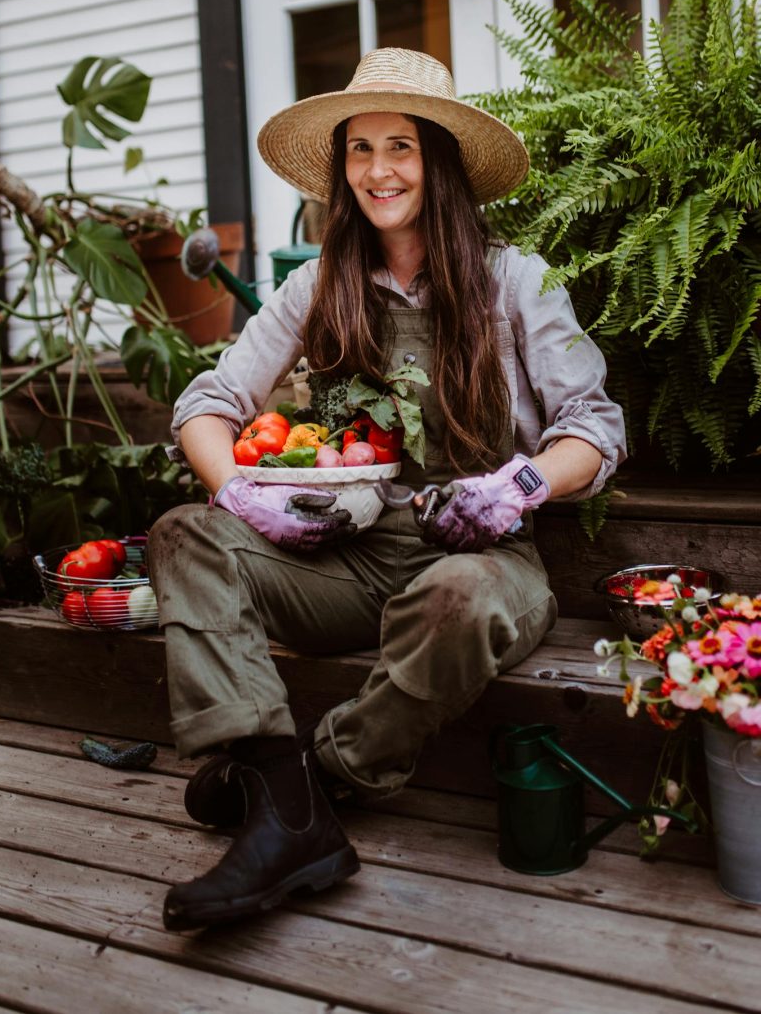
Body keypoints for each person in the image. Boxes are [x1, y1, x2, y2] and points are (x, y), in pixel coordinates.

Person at [148, 47, 626, 932]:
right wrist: (243, 498)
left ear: (436, 160)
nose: (378, 171)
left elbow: (594, 429)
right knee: (184, 533)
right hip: (345, 554)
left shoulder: (513, 281)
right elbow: (205, 406)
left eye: (399, 146)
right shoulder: (318, 285)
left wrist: (517, 485)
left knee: (455, 596)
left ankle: (309, 788)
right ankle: (285, 798)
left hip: (483, 558)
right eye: (359, 150)